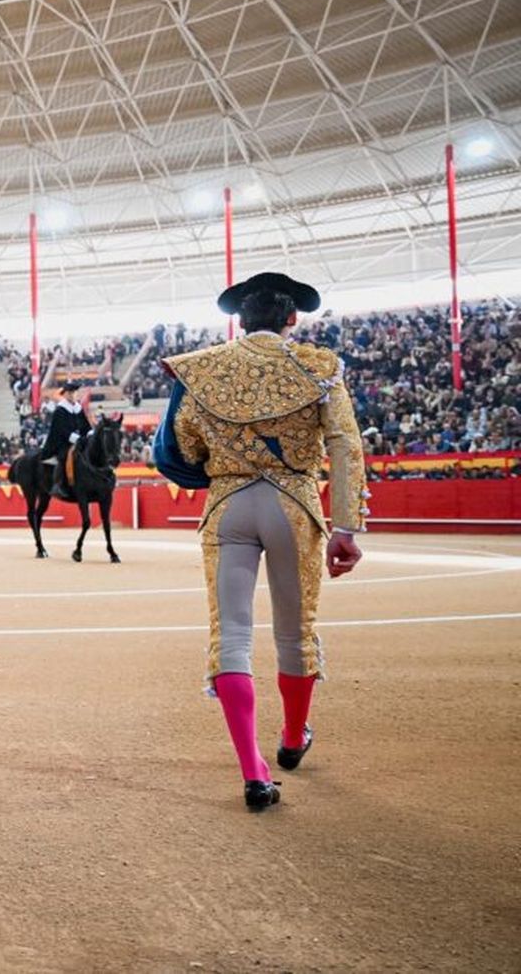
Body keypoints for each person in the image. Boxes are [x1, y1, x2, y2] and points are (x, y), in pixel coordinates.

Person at [152, 272, 367, 811]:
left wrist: (224, 460)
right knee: (296, 631)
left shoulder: (203, 369)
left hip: (228, 505)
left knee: (232, 635)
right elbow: (345, 445)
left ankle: (254, 772)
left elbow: (180, 445)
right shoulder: (319, 368)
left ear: (239, 322)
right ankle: (293, 739)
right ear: (291, 318)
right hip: (294, 503)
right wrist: (346, 527)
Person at [38, 380, 91, 498]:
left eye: (74, 393)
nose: (73, 395)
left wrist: (90, 434)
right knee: (64, 457)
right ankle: (58, 484)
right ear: (65, 394)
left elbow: (85, 426)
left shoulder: (78, 408)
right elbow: (62, 431)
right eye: (70, 393)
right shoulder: (60, 410)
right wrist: (78, 439)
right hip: (60, 442)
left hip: (77, 441)